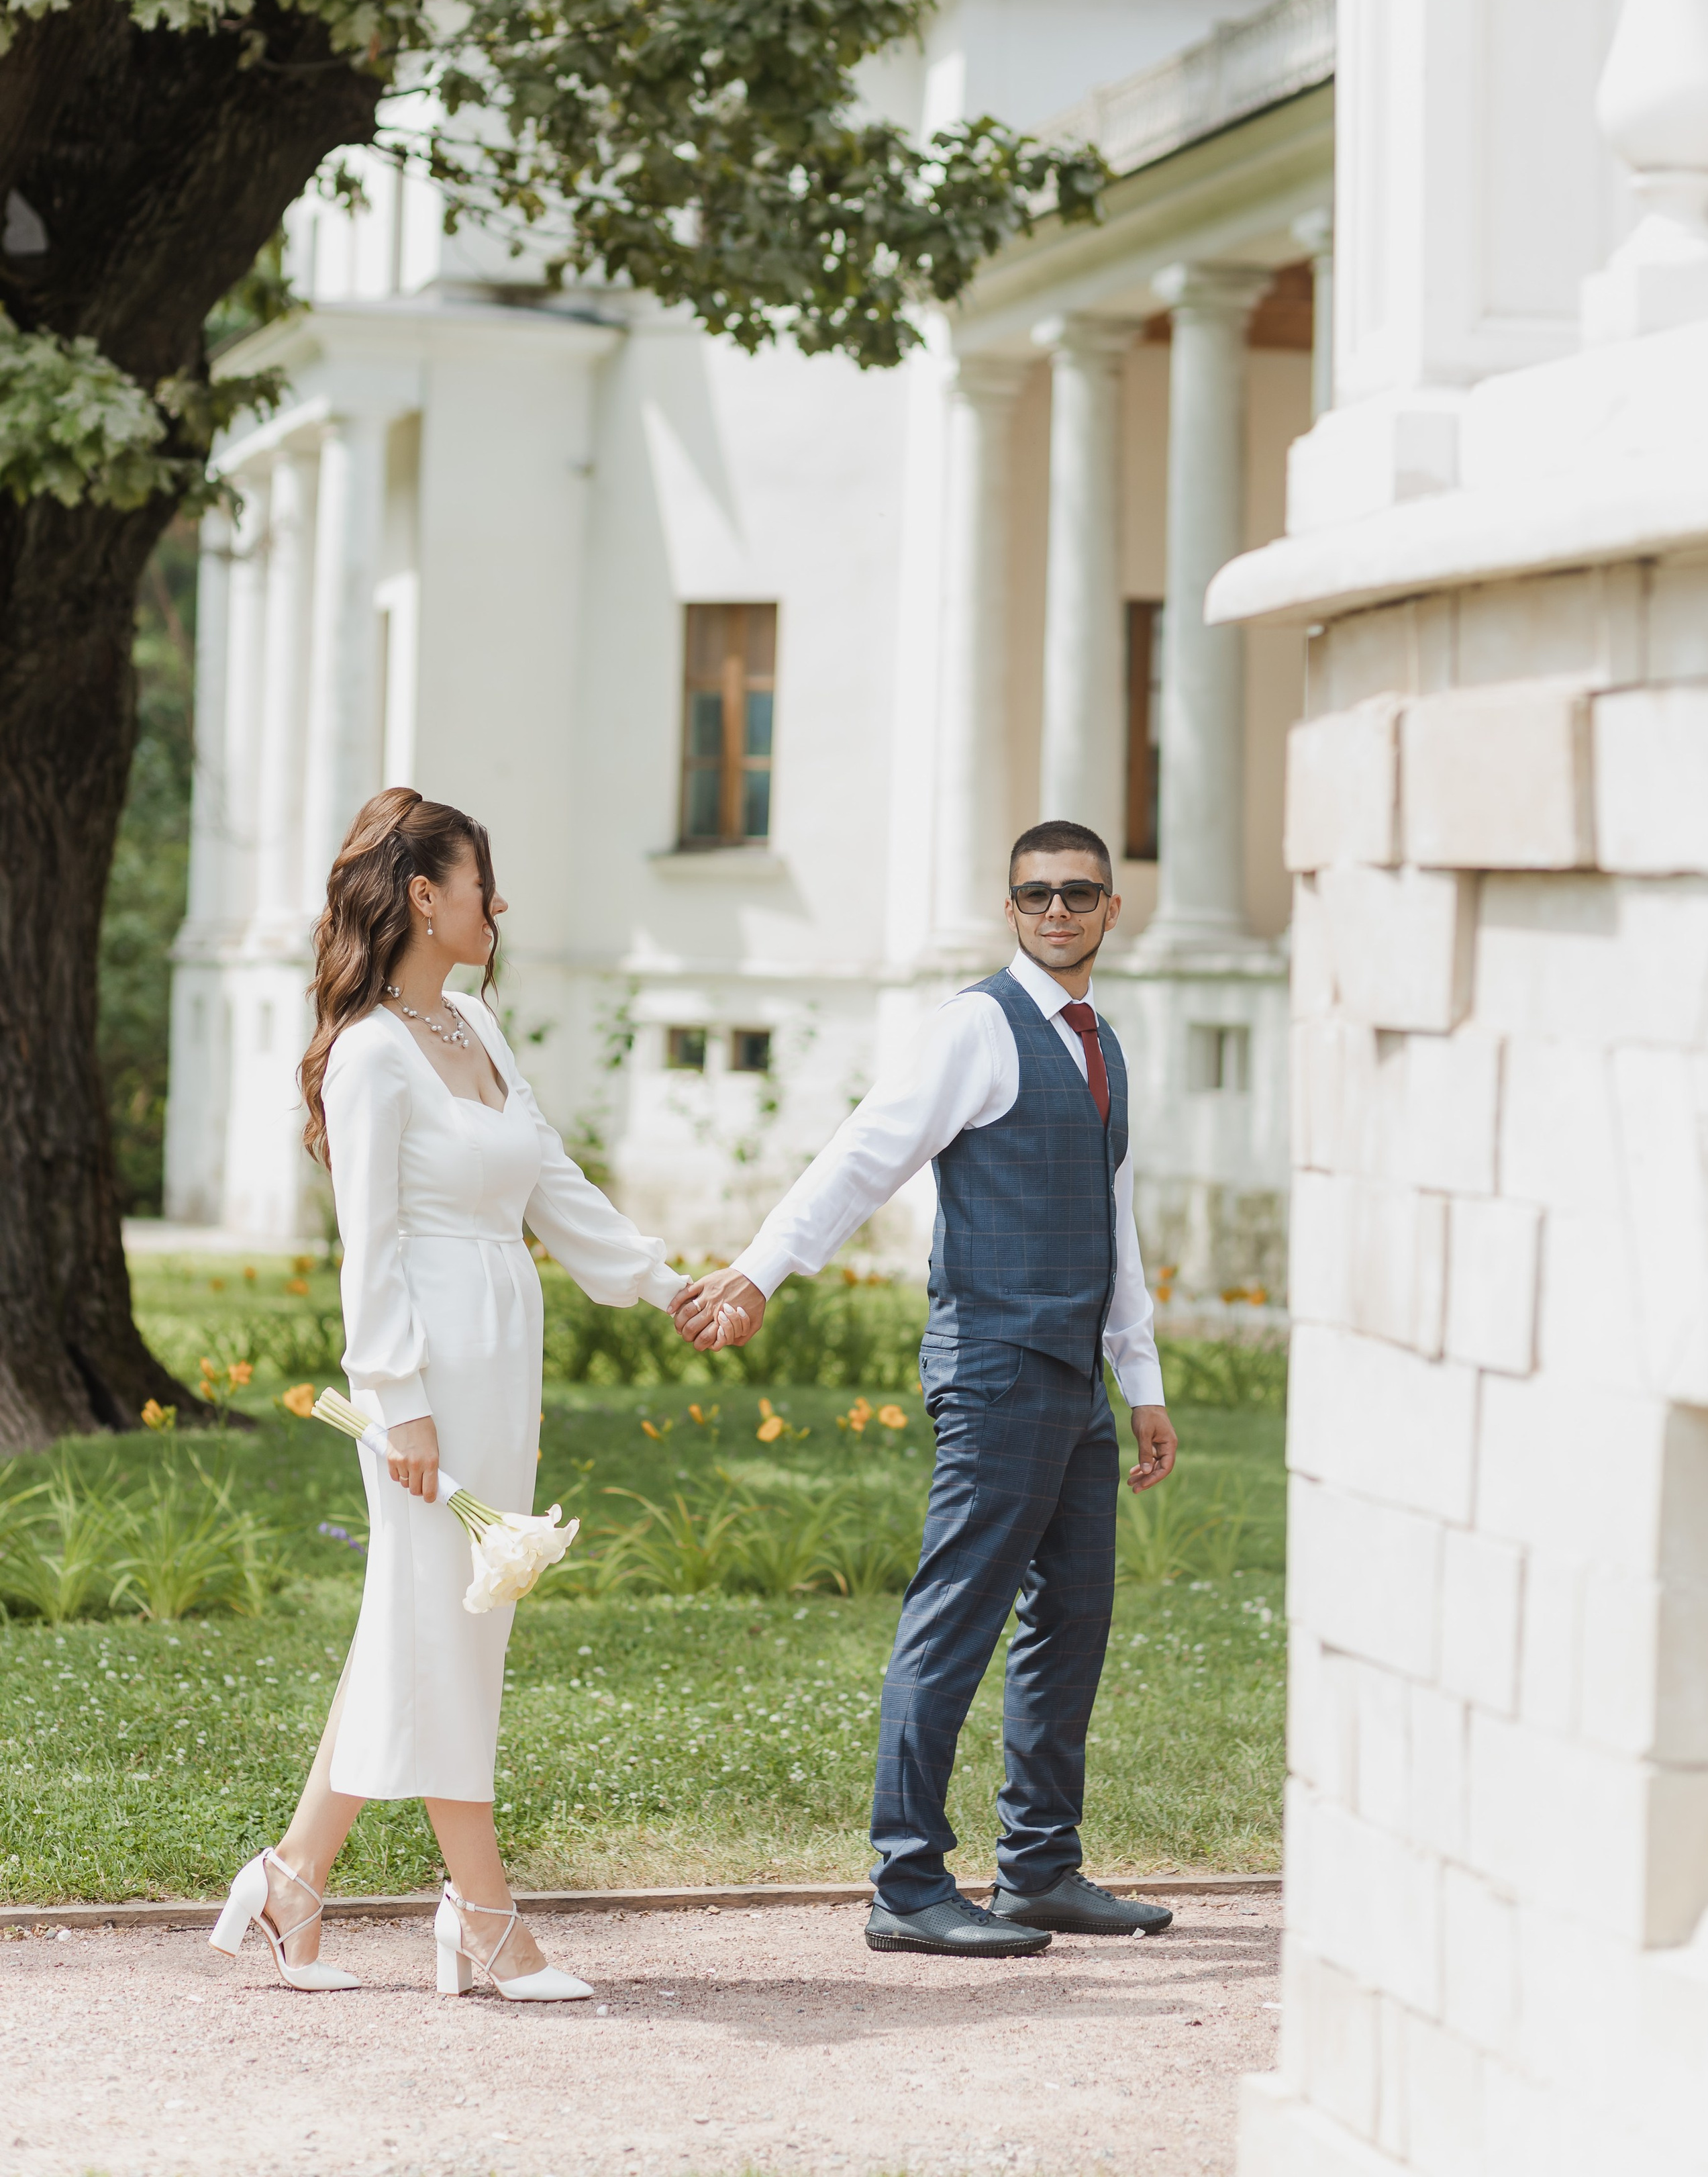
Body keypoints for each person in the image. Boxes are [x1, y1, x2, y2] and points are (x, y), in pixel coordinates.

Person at [210, 789, 688, 2000]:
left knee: (427, 1622)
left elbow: (552, 1180)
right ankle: (483, 1915)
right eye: (482, 883)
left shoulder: (474, 1023)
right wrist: (400, 1403)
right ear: (426, 897)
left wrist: (665, 1286)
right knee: (445, 1626)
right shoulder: (371, 1053)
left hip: (501, 1349)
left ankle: (292, 1879)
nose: (499, 903)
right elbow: (367, 1247)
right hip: (423, 1367)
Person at [674, 820, 1178, 1955]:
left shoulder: (1101, 1040)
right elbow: (864, 1155)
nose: (1058, 911)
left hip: (1076, 1377)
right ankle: (906, 1883)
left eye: (1079, 894)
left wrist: (1139, 1378)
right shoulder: (974, 1029)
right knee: (957, 1616)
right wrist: (760, 1272)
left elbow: (1113, 1218)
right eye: (1036, 894)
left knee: (1072, 1621)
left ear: (1112, 909)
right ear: (1011, 910)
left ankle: (1039, 1869)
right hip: (996, 1367)